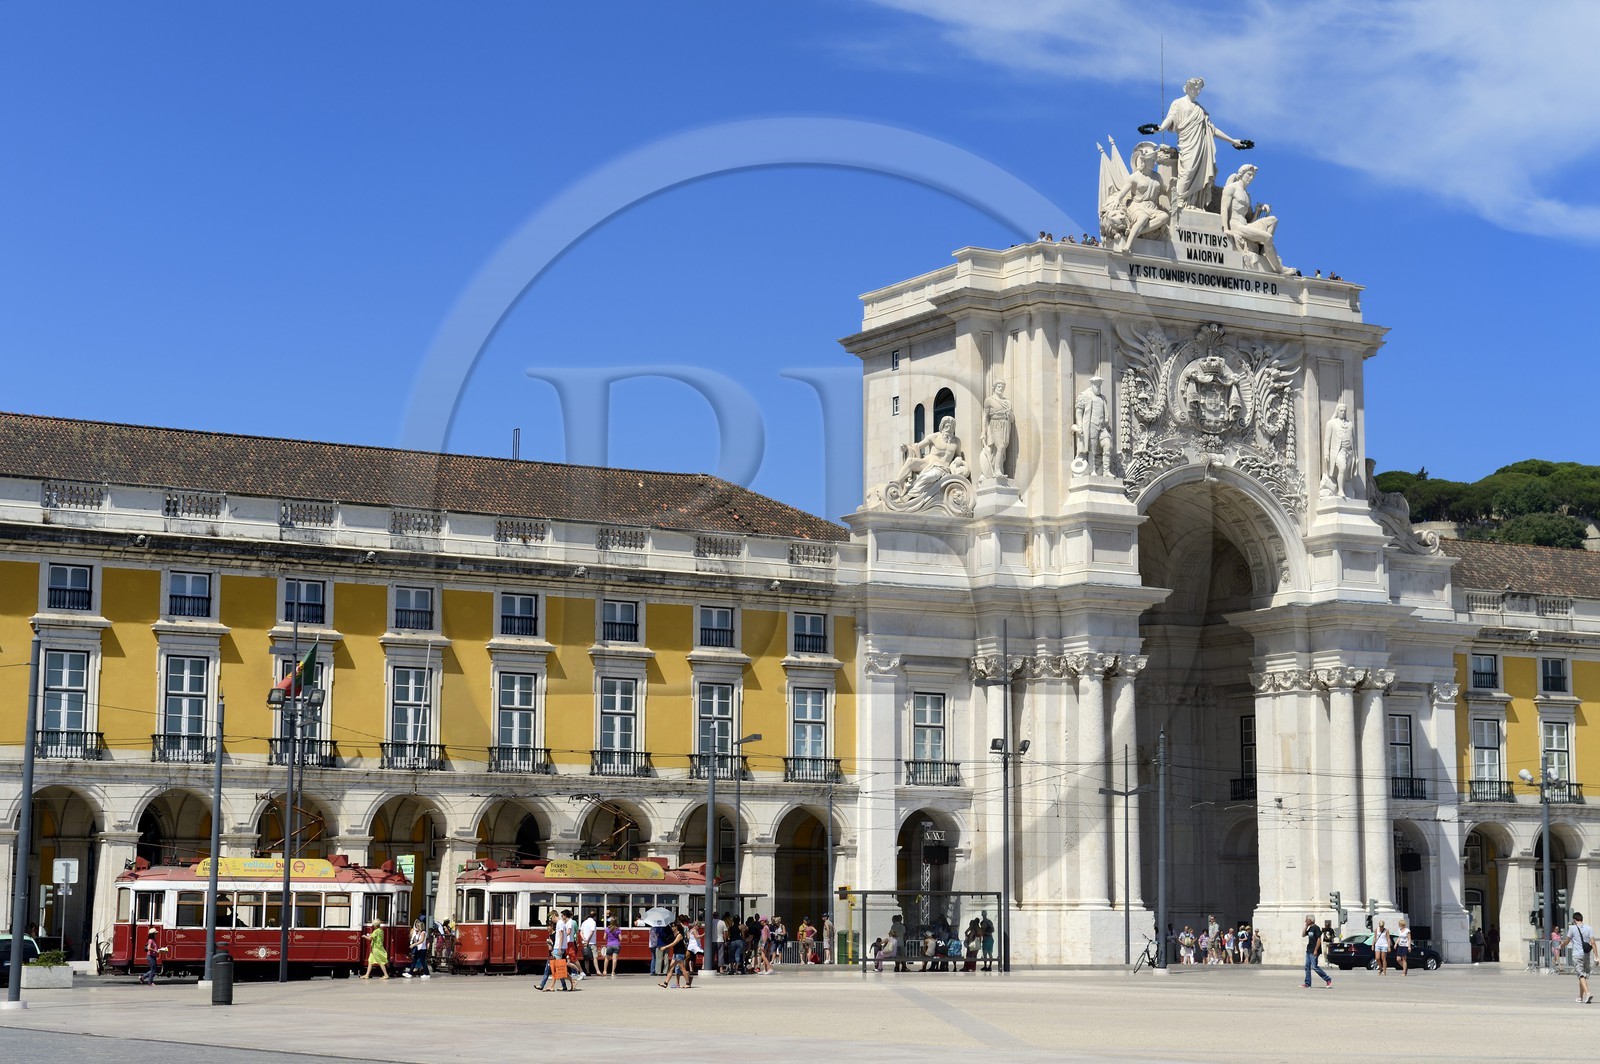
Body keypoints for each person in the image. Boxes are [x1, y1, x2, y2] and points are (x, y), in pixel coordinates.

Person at [1154, 76, 1248, 211]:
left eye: (1199, 89)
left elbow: (1212, 129)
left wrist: (1232, 140)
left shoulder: (1200, 109)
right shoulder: (1178, 103)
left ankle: (1193, 204)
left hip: (1201, 146)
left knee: (1200, 174)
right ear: (1188, 88)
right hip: (1188, 143)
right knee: (1188, 171)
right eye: (1195, 88)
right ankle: (1179, 199)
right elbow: (1171, 118)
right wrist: (1161, 128)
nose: (1197, 91)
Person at [1220, 164, 1290, 275]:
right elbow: (1224, 208)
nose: (1251, 178)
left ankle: (1264, 248)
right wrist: (1226, 229)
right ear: (1242, 174)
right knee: (1268, 237)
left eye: (1253, 176)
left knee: (1273, 219)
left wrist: (1259, 209)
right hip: (1235, 225)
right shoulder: (1231, 188)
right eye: (1249, 174)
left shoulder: (1247, 195)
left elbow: (1249, 219)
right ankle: (1279, 268)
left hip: (1245, 225)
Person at [1073, 377, 1111, 477]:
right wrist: (1080, 426)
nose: (1098, 388)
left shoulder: (1102, 398)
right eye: (1097, 386)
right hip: (1091, 425)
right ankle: (1092, 469)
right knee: (1092, 449)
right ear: (1092, 386)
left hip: (1102, 427)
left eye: (1099, 386)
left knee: (1107, 444)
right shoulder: (1085, 395)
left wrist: (1106, 421)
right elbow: (1079, 412)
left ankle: (1106, 471)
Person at [980, 380, 1013, 481]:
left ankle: (999, 468)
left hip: (1006, 425)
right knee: (1000, 446)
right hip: (995, 424)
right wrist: (983, 432)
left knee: (1003, 448)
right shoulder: (989, 400)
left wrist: (1009, 414)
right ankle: (997, 470)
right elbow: (985, 416)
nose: (1000, 388)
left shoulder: (1007, 402)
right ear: (994, 388)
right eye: (999, 386)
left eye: (1002, 387)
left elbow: (1012, 419)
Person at [1565, 910, 1593, 1004]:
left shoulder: (1572, 928)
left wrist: (1561, 945)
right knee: (1583, 976)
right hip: (1586, 955)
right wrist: (1597, 956)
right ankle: (1580, 997)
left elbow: (1567, 941)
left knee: (1581, 975)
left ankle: (1588, 993)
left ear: (1574, 920)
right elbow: (1593, 942)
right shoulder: (1589, 928)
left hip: (1577, 954)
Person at [1302, 914, 1333, 989]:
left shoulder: (1316, 928)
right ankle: (1307, 983)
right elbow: (1303, 935)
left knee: (1314, 967)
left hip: (1314, 950)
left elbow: (1319, 940)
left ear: (1310, 920)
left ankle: (1328, 979)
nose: (1305, 921)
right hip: (1309, 950)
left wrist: (1316, 950)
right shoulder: (1310, 928)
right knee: (1307, 966)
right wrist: (1306, 926)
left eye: (1306, 920)